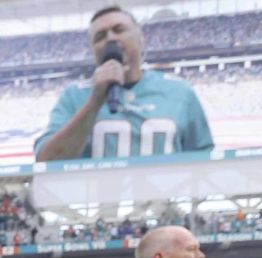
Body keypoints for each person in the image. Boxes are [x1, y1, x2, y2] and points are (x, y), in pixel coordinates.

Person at [35, 6, 213, 163]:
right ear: (93, 50)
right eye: (100, 36)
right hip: (99, 200)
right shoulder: (74, 96)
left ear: (140, 38)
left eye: (119, 29)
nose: (110, 38)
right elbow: (46, 161)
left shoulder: (179, 92)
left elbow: (205, 160)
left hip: (164, 200)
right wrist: (93, 103)